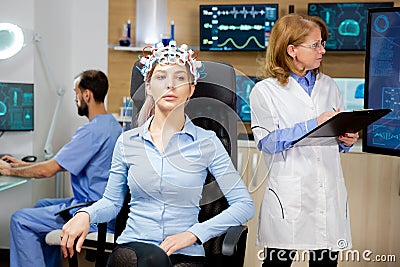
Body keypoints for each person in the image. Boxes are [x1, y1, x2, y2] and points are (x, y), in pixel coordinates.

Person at [60, 42, 255, 267]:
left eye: (180, 78)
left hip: (185, 253)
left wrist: (194, 234)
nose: (170, 85)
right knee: (148, 260)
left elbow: (243, 205)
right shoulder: (127, 142)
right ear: (149, 87)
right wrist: (85, 215)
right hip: (132, 250)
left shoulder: (208, 142)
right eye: (161, 77)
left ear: (191, 89)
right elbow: (112, 202)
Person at [250, 14, 359, 267]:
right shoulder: (265, 91)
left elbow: (335, 140)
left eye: (322, 44)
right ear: (292, 50)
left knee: (325, 263)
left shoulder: (329, 85)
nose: (322, 50)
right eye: (315, 45)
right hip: (289, 195)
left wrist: (346, 139)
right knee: (278, 263)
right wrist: (315, 123)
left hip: (327, 189)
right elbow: (266, 142)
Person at [0, 70, 123, 267]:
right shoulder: (112, 126)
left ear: (87, 95)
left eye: (76, 93)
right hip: (104, 207)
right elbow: (64, 163)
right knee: (41, 204)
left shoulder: (91, 132)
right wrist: (24, 165)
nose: (75, 99)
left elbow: (48, 170)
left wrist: (9, 171)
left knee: (19, 219)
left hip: (91, 212)